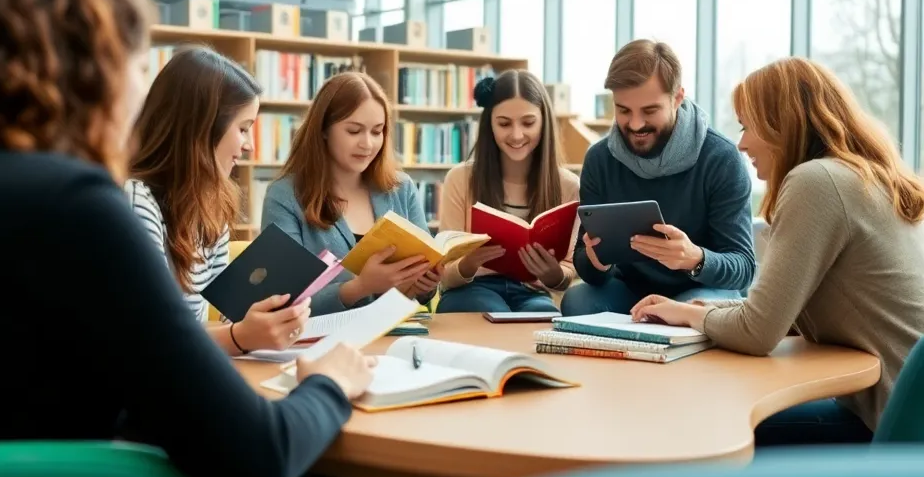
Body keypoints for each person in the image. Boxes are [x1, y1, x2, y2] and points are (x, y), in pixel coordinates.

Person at [0, 0, 375, 477]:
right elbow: (258, 454)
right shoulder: (76, 208)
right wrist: (329, 383)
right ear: (94, 73)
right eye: (133, 62)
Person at [632, 58, 924, 443]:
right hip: (902, 408)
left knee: (713, 424)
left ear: (782, 123)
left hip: (892, 425)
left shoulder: (816, 182)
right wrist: (692, 310)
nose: (742, 143)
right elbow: (776, 315)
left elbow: (758, 332)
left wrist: (687, 314)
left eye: (747, 125)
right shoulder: (860, 176)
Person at [127, 47, 310, 356]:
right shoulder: (136, 201)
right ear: (201, 129)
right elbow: (151, 341)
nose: (250, 146)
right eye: (243, 129)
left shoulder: (211, 206)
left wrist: (261, 319)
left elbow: (224, 318)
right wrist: (241, 337)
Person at [560, 40, 755, 316]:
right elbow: (586, 263)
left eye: (650, 111)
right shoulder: (600, 159)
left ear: (677, 98)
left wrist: (695, 259)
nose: (636, 124)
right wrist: (596, 262)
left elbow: (744, 267)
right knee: (577, 301)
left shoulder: (720, 158)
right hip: (630, 290)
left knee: (690, 310)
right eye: (624, 111)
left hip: (701, 288)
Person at [261, 71, 442, 314]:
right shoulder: (285, 196)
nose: (367, 144)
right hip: (319, 340)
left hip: (394, 332)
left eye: (377, 132)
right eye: (354, 131)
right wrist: (360, 287)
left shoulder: (401, 188)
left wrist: (427, 284)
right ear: (323, 129)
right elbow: (282, 300)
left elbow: (422, 293)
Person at [436, 70, 579, 314]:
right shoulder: (461, 179)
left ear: (544, 121)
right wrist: (468, 264)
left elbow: (568, 272)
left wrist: (554, 274)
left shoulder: (568, 185)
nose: (516, 135)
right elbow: (443, 275)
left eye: (528, 123)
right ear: (489, 124)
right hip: (473, 289)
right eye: (504, 123)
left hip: (532, 292)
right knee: (486, 310)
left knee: (544, 316)